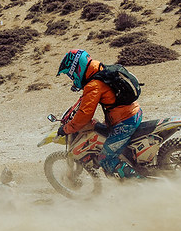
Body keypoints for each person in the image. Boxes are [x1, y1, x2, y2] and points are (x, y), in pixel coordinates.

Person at [56, 49, 142, 178]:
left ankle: (142, 184)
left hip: (125, 122)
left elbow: (85, 114)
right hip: (132, 113)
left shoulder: (94, 85)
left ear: (78, 68)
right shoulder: (100, 71)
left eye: (72, 74)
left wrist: (67, 128)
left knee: (105, 159)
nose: (72, 78)